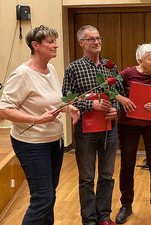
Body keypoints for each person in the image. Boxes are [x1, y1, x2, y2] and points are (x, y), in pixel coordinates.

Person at [0, 25, 80, 225]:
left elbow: (53, 101)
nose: (56, 45)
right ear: (35, 45)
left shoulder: (50, 68)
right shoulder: (22, 75)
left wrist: (67, 108)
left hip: (54, 141)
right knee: (42, 198)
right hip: (31, 144)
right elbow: (4, 109)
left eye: (55, 41)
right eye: (51, 42)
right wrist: (36, 120)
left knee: (49, 196)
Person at [62, 25, 124, 225]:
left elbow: (119, 94)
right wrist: (91, 104)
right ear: (81, 43)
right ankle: (88, 220)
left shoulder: (110, 66)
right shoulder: (73, 68)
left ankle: (103, 217)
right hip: (85, 132)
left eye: (98, 38)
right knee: (87, 179)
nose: (97, 42)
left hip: (108, 129)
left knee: (107, 176)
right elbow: (66, 100)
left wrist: (116, 109)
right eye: (91, 39)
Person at [114, 43, 151, 225]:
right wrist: (121, 98)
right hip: (128, 125)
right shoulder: (128, 73)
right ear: (140, 61)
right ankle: (126, 205)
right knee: (127, 164)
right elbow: (111, 88)